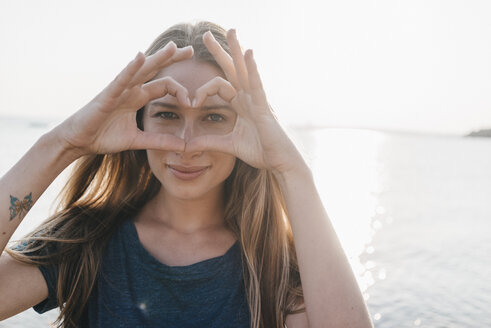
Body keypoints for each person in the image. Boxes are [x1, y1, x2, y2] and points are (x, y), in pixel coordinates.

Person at [0, 21, 373, 328]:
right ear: (139, 120)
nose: (186, 143)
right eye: (167, 114)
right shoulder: (87, 241)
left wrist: (292, 171)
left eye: (213, 117)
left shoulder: (275, 262)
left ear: (245, 126)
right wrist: (63, 143)